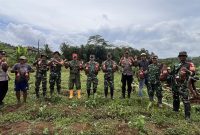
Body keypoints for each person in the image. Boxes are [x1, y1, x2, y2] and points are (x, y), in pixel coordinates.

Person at [171, 51, 193, 120]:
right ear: (179, 57)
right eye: (181, 56)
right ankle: (175, 112)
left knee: (186, 101)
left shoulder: (189, 64)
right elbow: (173, 74)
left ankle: (187, 117)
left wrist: (187, 71)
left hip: (184, 86)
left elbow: (193, 73)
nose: (182, 57)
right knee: (176, 99)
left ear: (186, 57)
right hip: (176, 85)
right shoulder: (176, 65)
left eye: (183, 56)